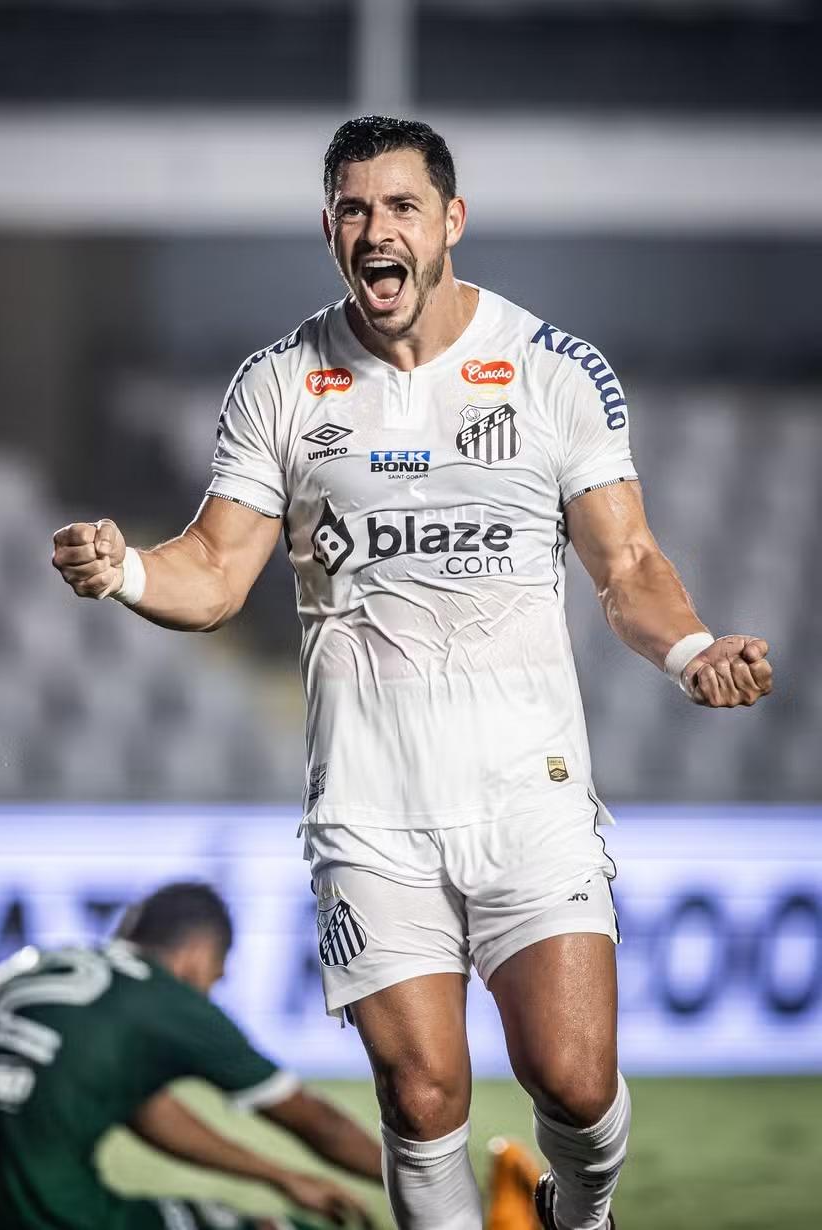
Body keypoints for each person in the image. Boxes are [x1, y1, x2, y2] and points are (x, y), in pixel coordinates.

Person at [51, 116, 774, 1230]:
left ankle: (580, 1217)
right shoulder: (281, 384)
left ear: (450, 222)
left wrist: (690, 651)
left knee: (574, 1083)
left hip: (526, 795)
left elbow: (626, 565)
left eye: (399, 207)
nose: (375, 229)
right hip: (371, 810)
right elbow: (213, 571)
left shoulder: (551, 370)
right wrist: (125, 572)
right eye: (352, 208)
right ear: (329, 228)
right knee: (422, 1090)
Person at [0, 882, 382, 1229]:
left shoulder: (36, 969)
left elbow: (144, 1109)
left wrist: (278, 1175)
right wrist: (426, 1187)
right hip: (51, 1219)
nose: (212, 989)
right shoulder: (163, 999)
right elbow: (317, 1123)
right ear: (198, 954)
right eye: (218, 973)